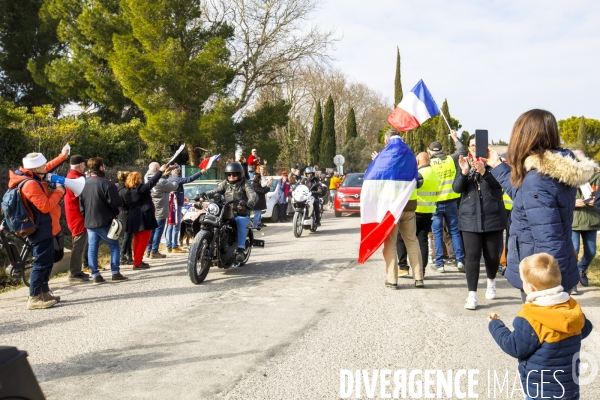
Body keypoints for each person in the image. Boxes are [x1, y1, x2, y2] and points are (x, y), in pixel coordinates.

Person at [486, 109, 596, 300]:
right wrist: (498, 166)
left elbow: (548, 237)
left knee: (538, 328)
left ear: (525, 137)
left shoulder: (538, 179)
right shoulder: (556, 170)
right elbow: (525, 198)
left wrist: (548, 291)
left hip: (540, 275)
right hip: (556, 267)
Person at [488, 253, 593, 400]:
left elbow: (514, 347)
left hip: (541, 391)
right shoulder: (572, 309)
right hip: (570, 389)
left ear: (531, 288)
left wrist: (495, 324)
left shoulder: (532, 318)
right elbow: (585, 329)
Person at [9, 146, 69, 309]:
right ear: (35, 168)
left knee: (47, 261)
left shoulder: (31, 174)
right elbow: (45, 206)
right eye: (42, 166)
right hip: (40, 228)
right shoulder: (30, 184)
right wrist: (59, 191)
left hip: (46, 226)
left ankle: (44, 292)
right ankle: (34, 297)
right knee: (41, 263)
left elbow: (47, 166)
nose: (46, 168)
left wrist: (62, 156)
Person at [454, 135, 507, 310]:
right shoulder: (464, 163)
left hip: (493, 217)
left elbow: (501, 185)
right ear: (468, 148)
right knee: (472, 257)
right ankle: (472, 295)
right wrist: (463, 172)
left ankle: (491, 281)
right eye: (472, 146)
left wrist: (485, 172)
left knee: (492, 257)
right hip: (470, 218)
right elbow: (457, 188)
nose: (475, 148)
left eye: (479, 145)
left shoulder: (496, 163)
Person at [79, 157, 127, 284]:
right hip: (105, 220)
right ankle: (115, 273)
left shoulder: (84, 183)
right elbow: (116, 202)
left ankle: (95, 275)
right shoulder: (107, 183)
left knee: (92, 248)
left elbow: (81, 205)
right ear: (101, 167)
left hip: (89, 220)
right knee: (114, 245)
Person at [397, 153, 440, 284]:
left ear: (418, 161)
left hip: (416, 211)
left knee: (402, 238)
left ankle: (403, 267)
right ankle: (421, 270)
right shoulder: (435, 174)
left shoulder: (419, 174)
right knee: (422, 241)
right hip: (429, 211)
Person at [427, 130, 466, 273]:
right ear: (442, 150)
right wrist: (455, 137)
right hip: (451, 201)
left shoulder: (429, 163)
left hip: (436, 204)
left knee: (437, 233)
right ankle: (460, 261)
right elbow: (461, 150)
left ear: (429, 151)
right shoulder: (450, 159)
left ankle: (439, 263)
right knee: (454, 231)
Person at [203, 162, 257, 262]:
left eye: (234, 174)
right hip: (227, 211)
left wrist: (250, 203)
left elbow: (252, 194)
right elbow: (216, 191)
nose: (231, 176)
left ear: (240, 174)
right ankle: (206, 243)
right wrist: (204, 194)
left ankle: (240, 249)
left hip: (241, 213)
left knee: (240, 223)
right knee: (214, 221)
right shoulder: (225, 183)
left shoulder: (245, 183)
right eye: (229, 174)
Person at [124, 164, 172, 269]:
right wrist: (160, 171)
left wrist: (162, 173)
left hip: (133, 217)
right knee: (143, 241)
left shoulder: (127, 191)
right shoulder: (140, 189)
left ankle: (137, 260)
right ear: (137, 180)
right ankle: (137, 262)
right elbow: (151, 183)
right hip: (142, 217)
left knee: (136, 240)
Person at [570, 150, 600, 288]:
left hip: (591, 220)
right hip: (573, 220)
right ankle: (572, 280)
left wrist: (597, 201)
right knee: (573, 249)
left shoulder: (597, 176)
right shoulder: (566, 176)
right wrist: (573, 202)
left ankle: (581, 269)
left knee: (591, 251)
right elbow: (557, 196)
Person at [165, 164, 206, 253]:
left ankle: (169, 245)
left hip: (171, 204)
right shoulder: (175, 178)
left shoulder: (168, 178)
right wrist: (200, 172)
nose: (178, 170)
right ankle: (174, 246)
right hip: (176, 204)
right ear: (172, 170)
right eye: (177, 169)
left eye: (178, 169)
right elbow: (189, 179)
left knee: (170, 225)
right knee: (176, 225)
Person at [64, 155, 91, 283]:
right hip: (77, 216)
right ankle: (74, 273)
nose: (84, 167)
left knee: (79, 243)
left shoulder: (70, 176)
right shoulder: (77, 178)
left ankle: (77, 270)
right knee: (78, 244)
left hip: (73, 214)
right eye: (83, 165)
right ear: (80, 165)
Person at [145, 162, 179, 258]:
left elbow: (157, 178)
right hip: (160, 208)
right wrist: (175, 176)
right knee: (158, 230)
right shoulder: (160, 181)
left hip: (152, 206)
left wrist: (164, 174)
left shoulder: (147, 176)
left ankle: (149, 249)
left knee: (151, 230)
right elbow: (174, 186)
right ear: (156, 169)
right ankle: (154, 251)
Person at [115, 171, 133, 265]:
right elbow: (129, 203)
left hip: (120, 213)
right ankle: (122, 255)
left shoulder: (118, 189)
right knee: (128, 236)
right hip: (126, 213)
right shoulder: (125, 191)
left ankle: (129, 256)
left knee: (128, 236)